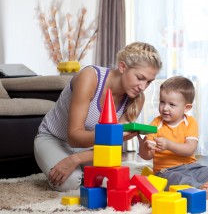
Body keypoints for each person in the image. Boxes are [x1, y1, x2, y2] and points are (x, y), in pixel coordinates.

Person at [34, 42, 163, 191]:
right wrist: (115, 133)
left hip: (86, 148)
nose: (143, 87)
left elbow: (112, 148)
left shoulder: (137, 99)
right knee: (70, 183)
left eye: (148, 82)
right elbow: (73, 137)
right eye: (140, 78)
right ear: (122, 67)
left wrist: (76, 159)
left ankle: (78, 167)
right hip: (53, 138)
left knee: (106, 180)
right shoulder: (90, 77)